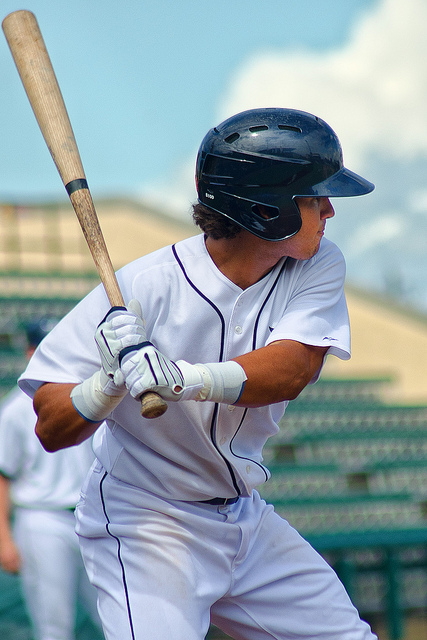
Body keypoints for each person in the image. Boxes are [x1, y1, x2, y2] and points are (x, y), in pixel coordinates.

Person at [19, 108, 378, 640]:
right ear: (266, 210)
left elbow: (293, 367)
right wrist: (107, 385)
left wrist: (183, 379)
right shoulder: (145, 285)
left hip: (244, 517)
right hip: (148, 524)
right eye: (312, 198)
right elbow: (50, 426)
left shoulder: (317, 263)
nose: (329, 209)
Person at [0, 319, 103, 640]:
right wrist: (3, 538)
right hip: (43, 520)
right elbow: (3, 475)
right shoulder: (16, 408)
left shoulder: (91, 396)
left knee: (115, 622)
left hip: (93, 519)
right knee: (54, 627)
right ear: (31, 352)